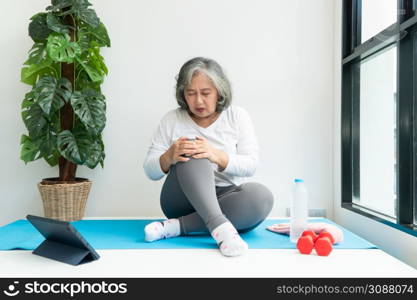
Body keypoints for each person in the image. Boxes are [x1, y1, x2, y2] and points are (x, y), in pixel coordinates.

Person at [143, 57, 274, 257]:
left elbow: (251, 164)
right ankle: (220, 227)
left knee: (262, 197)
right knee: (191, 147)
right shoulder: (172, 119)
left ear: (219, 92)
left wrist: (216, 155)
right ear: (182, 94)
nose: (198, 101)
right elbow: (150, 171)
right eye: (190, 93)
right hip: (182, 200)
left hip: (227, 197)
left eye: (205, 93)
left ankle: (176, 227)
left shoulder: (237, 116)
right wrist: (169, 156)